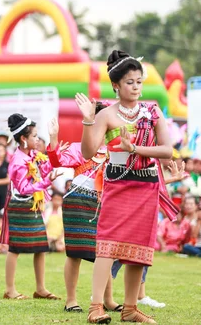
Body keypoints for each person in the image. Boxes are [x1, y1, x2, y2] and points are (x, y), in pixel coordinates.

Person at [76, 50, 172, 323]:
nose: (136, 87)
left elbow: (166, 150)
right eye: (130, 82)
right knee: (107, 245)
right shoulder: (106, 114)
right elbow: (87, 152)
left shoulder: (152, 110)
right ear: (116, 85)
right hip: (118, 183)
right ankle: (96, 306)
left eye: (139, 81)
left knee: (138, 248)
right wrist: (87, 119)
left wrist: (136, 147)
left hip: (146, 185)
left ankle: (130, 308)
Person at [46, 112, 115, 313]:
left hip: (104, 202)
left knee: (106, 252)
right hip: (78, 200)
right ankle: (71, 300)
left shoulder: (115, 151)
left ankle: (108, 300)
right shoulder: (80, 148)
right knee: (75, 252)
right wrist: (53, 138)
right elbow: (57, 161)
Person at [1, 113, 61, 301]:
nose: (37, 139)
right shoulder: (18, 161)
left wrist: (53, 141)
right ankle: (10, 290)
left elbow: (48, 168)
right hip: (19, 205)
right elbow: (24, 188)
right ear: (23, 139)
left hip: (33, 205)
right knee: (15, 248)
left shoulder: (34, 155)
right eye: (34, 136)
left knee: (41, 247)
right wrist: (46, 182)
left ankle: (40, 289)